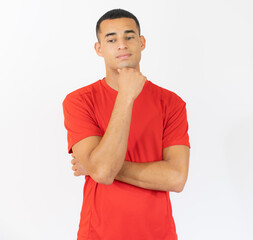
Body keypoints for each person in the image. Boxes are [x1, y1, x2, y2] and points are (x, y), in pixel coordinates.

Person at [62, 8, 190, 240]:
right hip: (99, 234)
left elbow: (176, 178)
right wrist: (126, 96)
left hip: (158, 233)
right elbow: (101, 171)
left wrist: (95, 166)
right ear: (99, 49)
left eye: (129, 37)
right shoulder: (79, 101)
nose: (121, 44)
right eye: (111, 39)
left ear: (141, 42)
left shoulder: (171, 103)